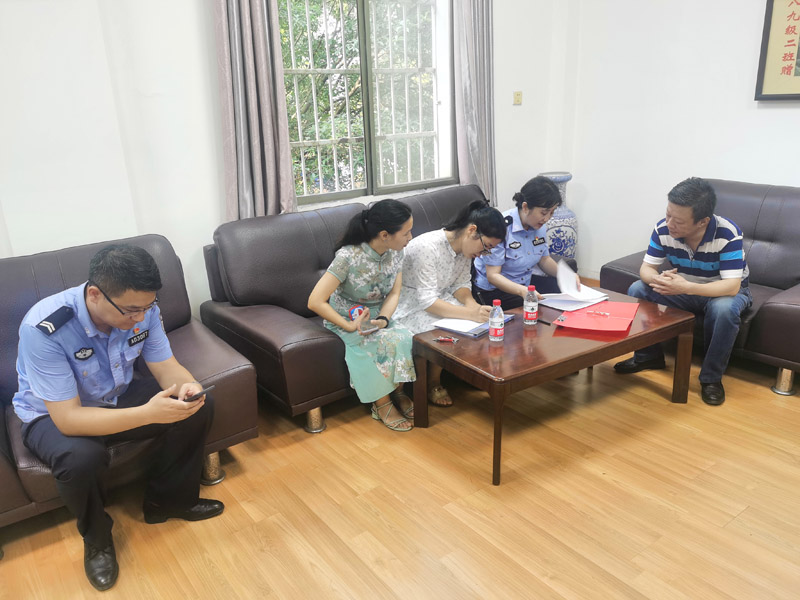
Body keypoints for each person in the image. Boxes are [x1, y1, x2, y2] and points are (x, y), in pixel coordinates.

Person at [12, 245, 223, 591]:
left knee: (198, 405)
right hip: (51, 414)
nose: (140, 318)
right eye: (131, 310)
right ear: (95, 294)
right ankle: (97, 540)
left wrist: (188, 388)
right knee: (81, 458)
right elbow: (68, 419)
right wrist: (147, 414)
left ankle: (167, 501)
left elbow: (165, 366)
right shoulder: (45, 327)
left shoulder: (144, 309)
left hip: (115, 396)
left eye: (148, 307)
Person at [613, 177, 753, 406]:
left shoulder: (727, 234)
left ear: (702, 221)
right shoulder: (663, 229)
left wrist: (686, 287)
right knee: (637, 288)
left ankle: (711, 379)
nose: (669, 223)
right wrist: (659, 279)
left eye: (678, 221)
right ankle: (647, 357)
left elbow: (732, 286)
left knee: (724, 309)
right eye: (668, 214)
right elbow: (646, 269)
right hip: (683, 287)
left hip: (721, 292)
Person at [307, 199, 417, 432]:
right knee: (375, 344)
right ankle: (382, 404)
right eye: (406, 233)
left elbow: (394, 292)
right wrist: (348, 326)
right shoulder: (348, 257)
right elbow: (315, 301)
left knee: (405, 337)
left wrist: (384, 319)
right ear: (385, 235)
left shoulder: (396, 252)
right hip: (346, 318)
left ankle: (398, 392)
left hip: (379, 315)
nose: (410, 237)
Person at [394, 199, 506, 406]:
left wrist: (473, 307)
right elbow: (427, 300)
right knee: (444, 331)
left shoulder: (466, 250)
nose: (483, 254)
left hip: (440, 298)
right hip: (410, 304)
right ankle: (432, 383)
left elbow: (461, 285)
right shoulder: (427, 247)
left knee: (479, 324)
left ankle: (468, 374)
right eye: (486, 247)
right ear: (472, 230)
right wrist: (470, 314)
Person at [473, 175, 581, 309]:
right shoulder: (500, 227)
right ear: (525, 207)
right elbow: (493, 276)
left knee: (566, 294)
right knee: (537, 309)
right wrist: (522, 291)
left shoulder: (539, 226)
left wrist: (566, 275)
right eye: (544, 213)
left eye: (552, 213)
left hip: (524, 285)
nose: (547, 218)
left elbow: (544, 260)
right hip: (494, 291)